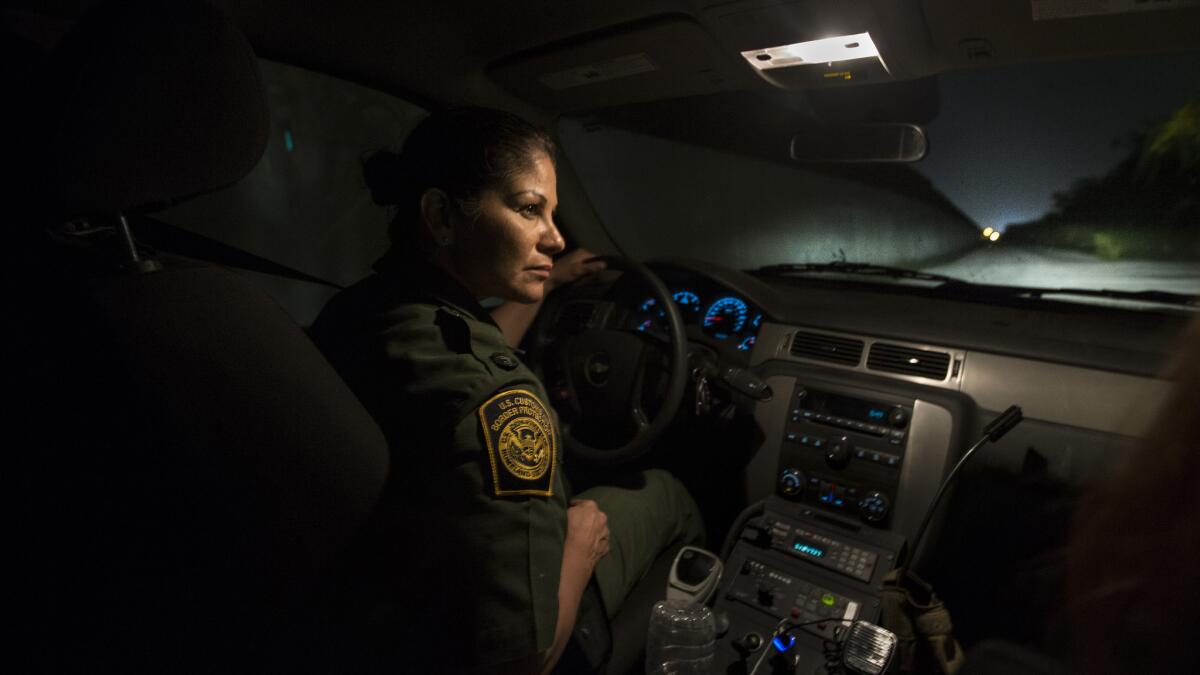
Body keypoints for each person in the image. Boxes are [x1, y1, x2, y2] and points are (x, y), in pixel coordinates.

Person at [308, 107, 703, 674]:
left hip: (384, 604)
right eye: (528, 209)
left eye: (554, 215)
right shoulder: (499, 402)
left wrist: (541, 287)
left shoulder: (363, 312)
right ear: (442, 216)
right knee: (668, 493)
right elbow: (522, 661)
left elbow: (472, 341)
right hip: (496, 640)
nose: (558, 237)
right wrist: (578, 547)